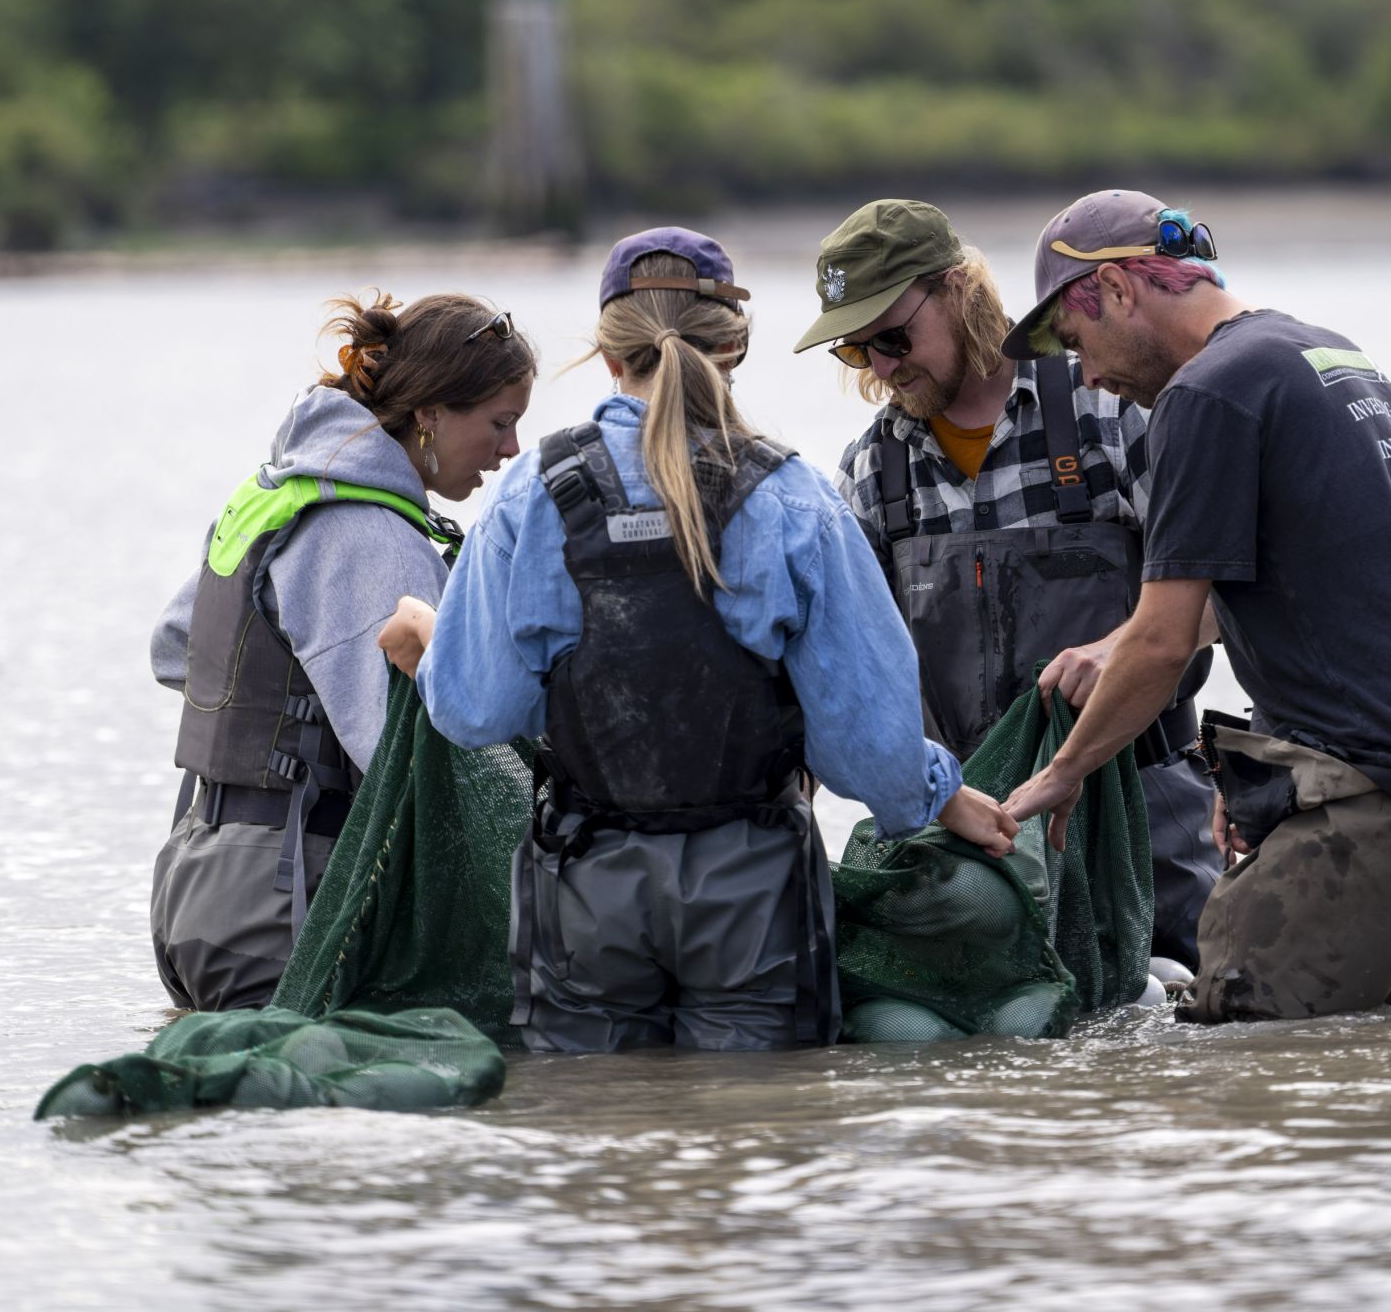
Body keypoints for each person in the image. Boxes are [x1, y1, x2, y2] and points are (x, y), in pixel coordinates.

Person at [377, 228, 1019, 1053]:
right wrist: (940, 793)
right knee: (752, 1135)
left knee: (596, 1136)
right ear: (732, 348)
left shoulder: (530, 496)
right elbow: (873, 754)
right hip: (751, 887)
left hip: (586, 886)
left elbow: (472, 709)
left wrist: (436, 640)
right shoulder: (794, 499)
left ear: (611, 358)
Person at [994, 191, 1391, 1021]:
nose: (1085, 375)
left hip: (1366, 819)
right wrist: (1271, 755)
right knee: (1385, 1114)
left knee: (1241, 1098)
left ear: (1122, 291)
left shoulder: (1206, 394)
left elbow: (1166, 646)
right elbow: (1289, 581)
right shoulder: (1326, 357)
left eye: (1076, 340)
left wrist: (1063, 774)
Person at [790, 200, 1223, 969]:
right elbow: (832, 674)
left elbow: (1225, 598)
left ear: (958, 289)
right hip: (972, 840)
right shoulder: (867, 473)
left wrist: (1121, 647)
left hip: (1149, 816)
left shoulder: (1108, 410)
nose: (885, 368)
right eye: (859, 353)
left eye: (893, 336)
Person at [148, 292, 536, 1012]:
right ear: (429, 415)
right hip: (287, 904)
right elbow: (414, 751)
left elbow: (176, 648)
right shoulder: (372, 536)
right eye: (500, 423)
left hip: (193, 881)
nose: (510, 450)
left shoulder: (277, 493)